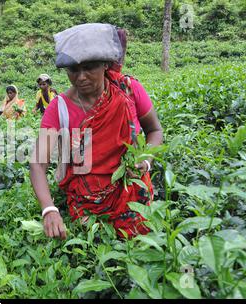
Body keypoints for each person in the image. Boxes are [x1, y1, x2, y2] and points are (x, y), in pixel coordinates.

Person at [29, 24, 163, 239]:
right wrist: (49, 209)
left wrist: (145, 161)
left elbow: (154, 130)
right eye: (73, 69)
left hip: (132, 189)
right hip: (87, 201)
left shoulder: (128, 90)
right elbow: (38, 162)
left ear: (105, 65)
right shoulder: (59, 108)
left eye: (89, 67)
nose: (81, 77)